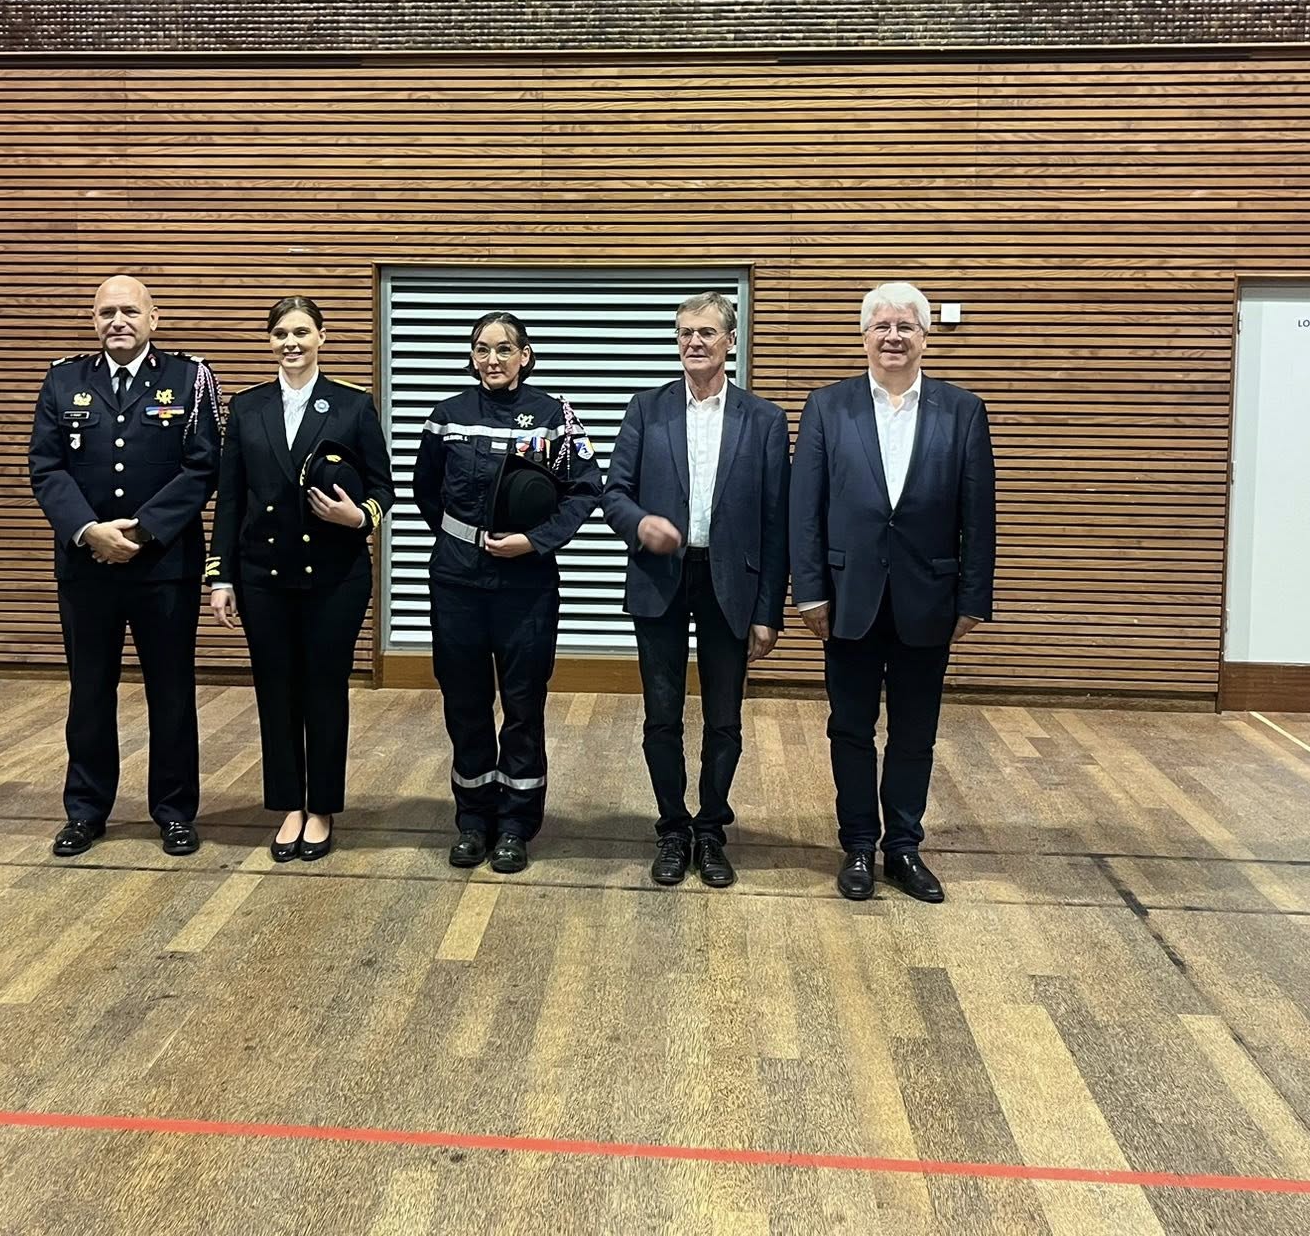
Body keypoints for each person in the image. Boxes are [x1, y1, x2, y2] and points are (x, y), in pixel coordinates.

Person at [789, 281, 995, 902]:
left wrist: (972, 598)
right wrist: (809, 592)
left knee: (914, 734)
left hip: (927, 600)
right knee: (850, 729)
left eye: (906, 326)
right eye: (882, 326)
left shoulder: (963, 411)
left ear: (925, 337)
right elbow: (806, 510)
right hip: (847, 598)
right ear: (864, 336)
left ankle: (903, 847)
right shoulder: (828, 407)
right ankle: (857, 845)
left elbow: (978, 514)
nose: (893, 337)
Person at [28, 275, 222, 858]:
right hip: (88, 567)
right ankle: (86, 811)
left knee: (171, 692)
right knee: (89, 692)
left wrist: (141, 530)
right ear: (93, 320)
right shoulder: (63, 380)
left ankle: (175, 812)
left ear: (153, 318)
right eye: (106, 312)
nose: (118, 321)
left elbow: (204, 465)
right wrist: (90, 531)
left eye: (130, 311)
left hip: (163, 566)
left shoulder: (190, 378)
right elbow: (46, 468)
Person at [601, 291, 788, 889]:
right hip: (660, 577)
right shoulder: (646, 409)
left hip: (730, 582)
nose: (694, 342)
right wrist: (640, 525)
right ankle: (672, 828)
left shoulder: (764, 419)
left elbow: (776, 522)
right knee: (661, 715)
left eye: (706, 332)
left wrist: (768, 611)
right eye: (685, 332)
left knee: (724, 718)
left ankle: (710, 830)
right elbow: (614, 493)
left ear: (730, 340)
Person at [412, 311, 601, 875]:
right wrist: (466, 540)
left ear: (525, 356)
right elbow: (426, 492)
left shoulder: (554, 416)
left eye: (503, 348)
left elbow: (585, 489)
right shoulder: (447, 416)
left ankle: (517, 823)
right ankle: (473, 819)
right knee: (464, 700)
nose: (491, 359)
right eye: (481, 349)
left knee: (523, 703)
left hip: (526, 584)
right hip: (457, 580)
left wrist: (534, 541)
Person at [207, 296, 393, 863]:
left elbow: (383, 488)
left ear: (322, 337)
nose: (291, 343)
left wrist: (358, 517)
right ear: (270, 341)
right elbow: (230, 498)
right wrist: (221, 577)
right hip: (263, 575)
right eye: (281, 333)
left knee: (324, 689)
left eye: (302, 332)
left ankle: (323, 807)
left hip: (335, 576)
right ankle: (289, 804)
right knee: (276, 689)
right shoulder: (247, 407)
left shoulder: (353, 405)